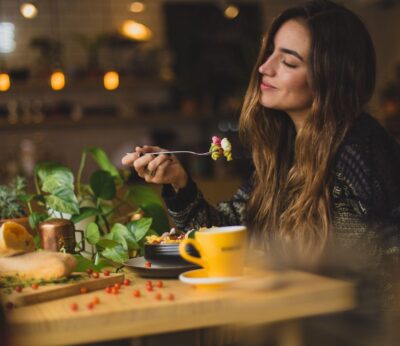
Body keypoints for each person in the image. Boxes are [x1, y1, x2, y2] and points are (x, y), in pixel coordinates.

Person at [122, 0, 400, 289]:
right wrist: (179, 182)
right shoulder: (287, 148)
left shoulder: (357, 153)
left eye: (289, 62)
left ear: (332, 77)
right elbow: (230, 233)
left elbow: (360, 281)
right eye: (270, 53)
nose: (265, 68)